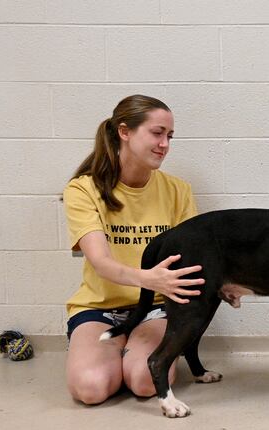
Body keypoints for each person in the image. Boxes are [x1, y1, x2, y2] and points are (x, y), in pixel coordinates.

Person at [63, 95, 204, 405]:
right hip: (99, 309)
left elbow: (194, 259)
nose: (165, 144)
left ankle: (132, 353)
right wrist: (150, 278)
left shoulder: (178, 190)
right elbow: (100, 262)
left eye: (169, 136)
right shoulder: (83, 189)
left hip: (156, 307)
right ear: (124, 132)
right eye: (157, 133)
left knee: (143, 381)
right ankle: (111, 350)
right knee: (91, 388)